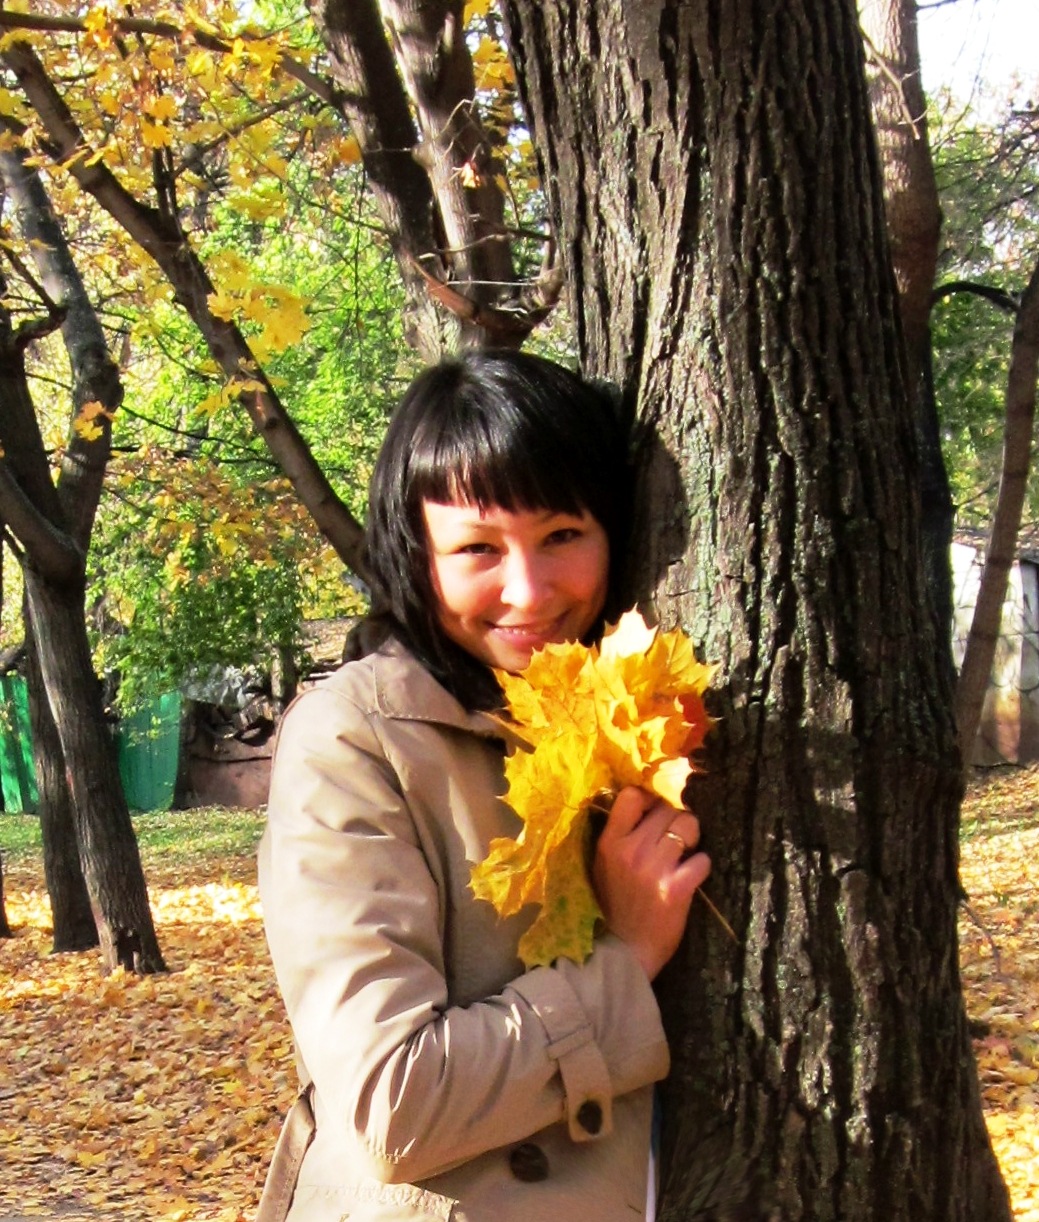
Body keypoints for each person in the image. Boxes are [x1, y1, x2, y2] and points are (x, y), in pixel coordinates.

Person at [256, 350, 711, 1222]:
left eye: (562, 535)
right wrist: (624, 960)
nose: (529, 591)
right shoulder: (353, 740)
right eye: (476, 549)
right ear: (416, 556)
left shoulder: (627, 705)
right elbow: (393, 1105)